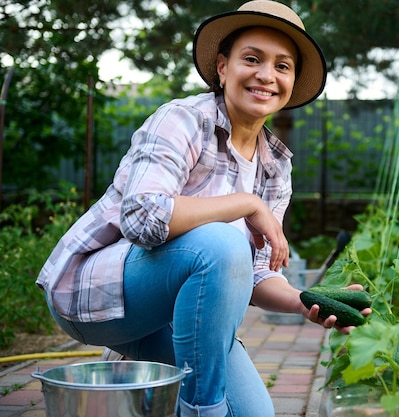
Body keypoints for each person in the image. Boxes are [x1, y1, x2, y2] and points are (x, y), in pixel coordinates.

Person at [36, 1, 370, 416]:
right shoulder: (181, 119)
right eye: (252, 59)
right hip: (94, 292)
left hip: (173, 314)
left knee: (256, 413)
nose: (267, 75)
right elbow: (143, 218)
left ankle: (145, 370)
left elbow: (255, 273)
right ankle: (200, 409)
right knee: (222, 242)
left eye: (282, 66)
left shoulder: (276, 164)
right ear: (222, 67)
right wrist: (245, 204)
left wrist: (305, 301)